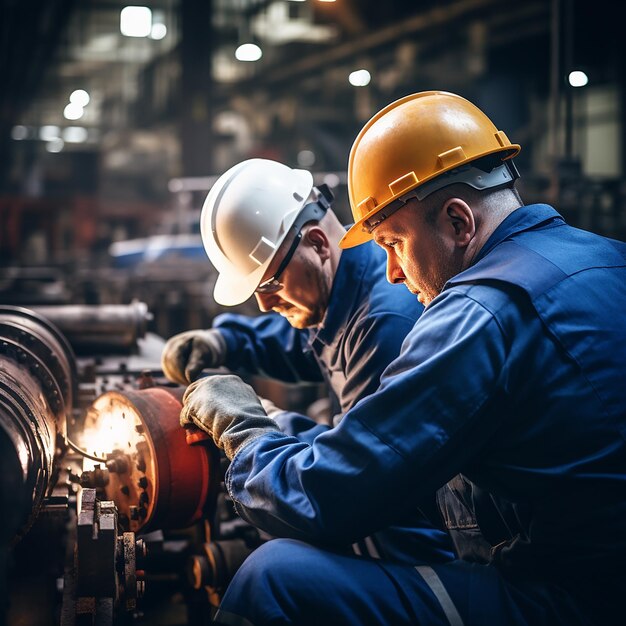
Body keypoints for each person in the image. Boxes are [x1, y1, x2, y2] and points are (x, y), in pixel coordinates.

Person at [180, 92, 626, 626]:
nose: (390, 270)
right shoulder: (606, 257)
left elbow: (328, 500)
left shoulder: (474, 317)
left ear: (459, 223)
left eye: (393, 241)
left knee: (274, 578)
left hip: (565, 600)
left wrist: (247, 436)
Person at [161, 158, 453, 564]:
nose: (263, 304)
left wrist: (260, 421)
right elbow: (307, 342)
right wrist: (225, 341)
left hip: (417, 552)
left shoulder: (385, 324)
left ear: (317, 243)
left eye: (269, 283)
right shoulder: (347, 287)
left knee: (271, 573)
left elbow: (348, 479)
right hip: (384, 525)